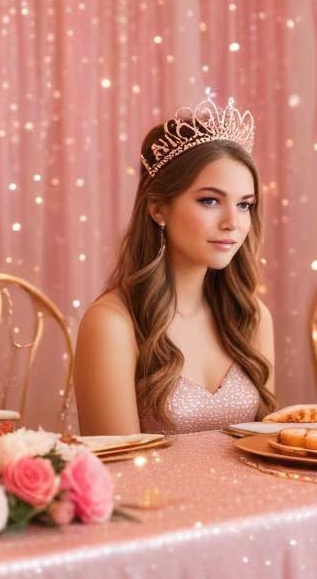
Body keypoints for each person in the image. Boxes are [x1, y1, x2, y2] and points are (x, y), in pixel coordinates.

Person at [75, 97, 276, 435]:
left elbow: (268, 449)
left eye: (244, 205)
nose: (233, 222)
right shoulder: (112, 324)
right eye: (210, 200)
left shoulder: (251, 317)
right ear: (158, 208)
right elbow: (119, 473)